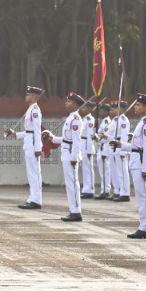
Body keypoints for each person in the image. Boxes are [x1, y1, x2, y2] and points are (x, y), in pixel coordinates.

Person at [117, 95, 146, 238]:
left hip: (141, 164)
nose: (135, 107)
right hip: (137, 161)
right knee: (141, 196)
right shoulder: (142, 122)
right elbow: (137, 147)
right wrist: (121, 145)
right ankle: (145, 226)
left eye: (139, 105)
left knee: (143, 197)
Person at [6, 85, 45, 209]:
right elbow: (29, 132)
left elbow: (37, 131)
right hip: (28, 144)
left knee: (35, 173)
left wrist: (38, 148)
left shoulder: (35, 110)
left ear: (35, 96)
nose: (26, 96)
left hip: (33, 145)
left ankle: (36, 200)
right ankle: (32, 198)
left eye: (29, 94)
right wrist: (15, 134)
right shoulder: (30, 109)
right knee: (31, 173)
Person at [55, 93, 86, 222]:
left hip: (71, 154)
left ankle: (76, 211)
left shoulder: (76, 119)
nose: (66, 103)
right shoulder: (70, 118)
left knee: (73, 183)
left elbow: (76, 140)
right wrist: (53, 138)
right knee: (70, 184)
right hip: (66, 151)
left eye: (69, 102)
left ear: (75, 104)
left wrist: (74, 157)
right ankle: (73, 209)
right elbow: (66, 139)